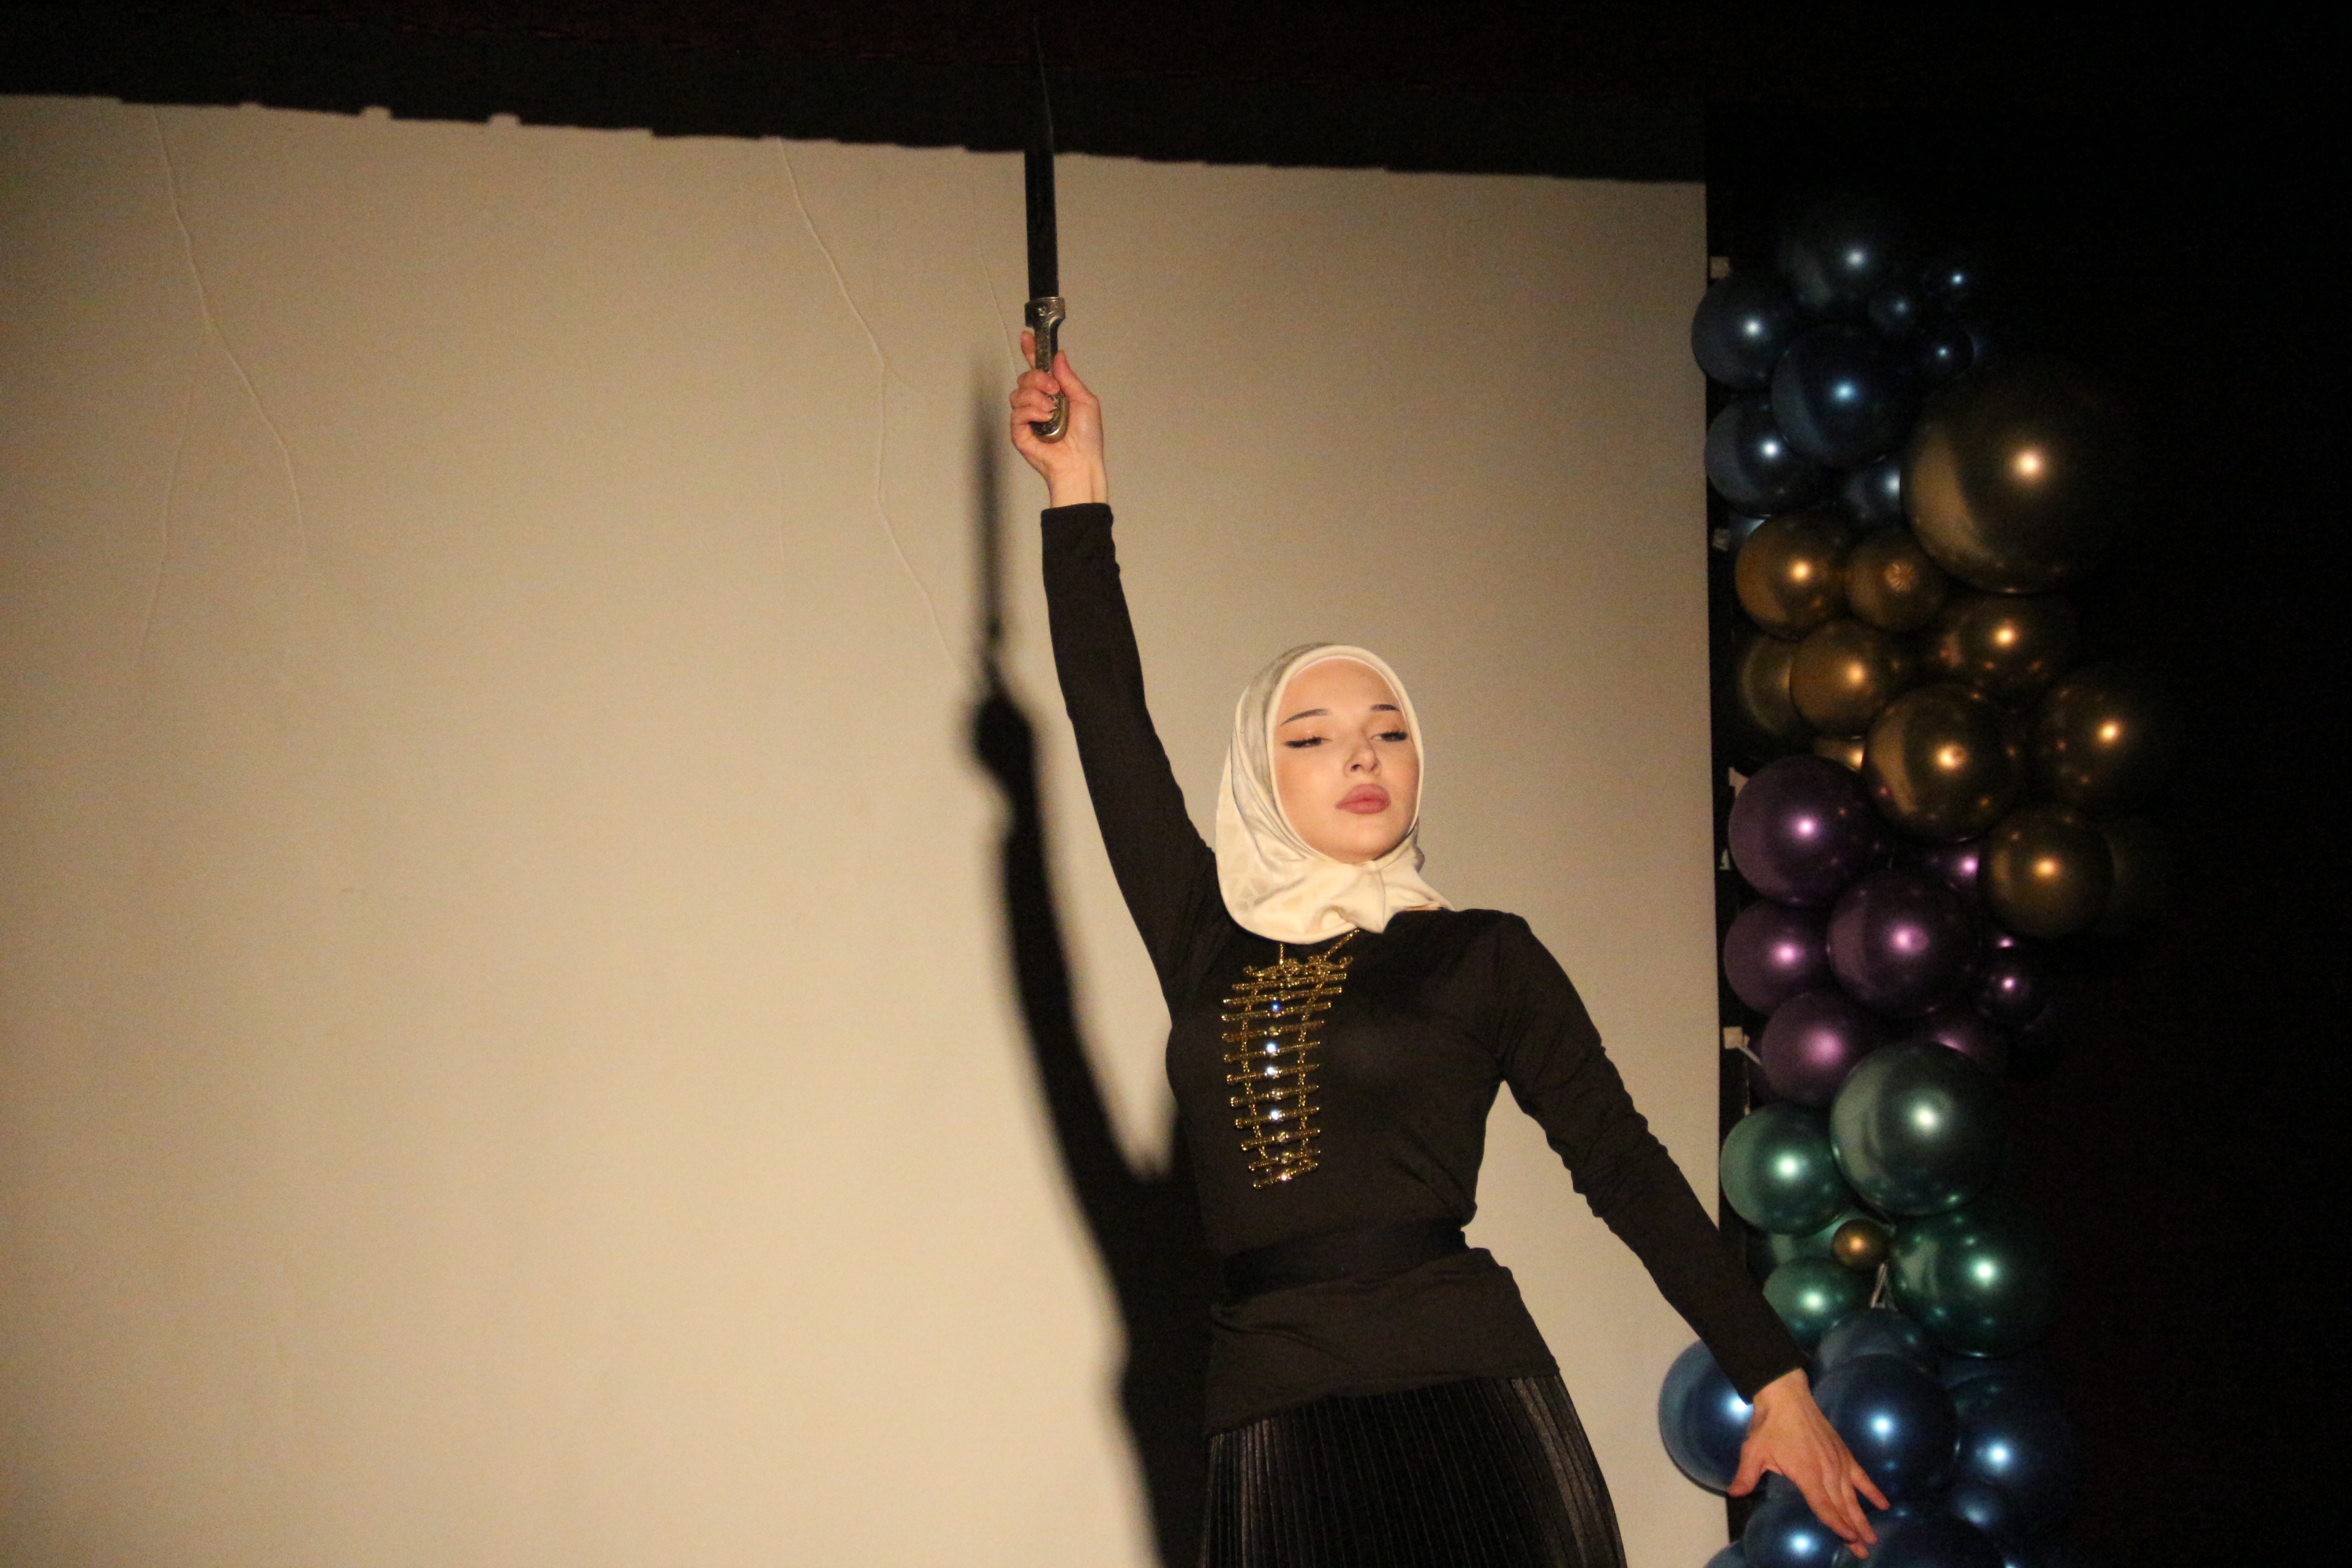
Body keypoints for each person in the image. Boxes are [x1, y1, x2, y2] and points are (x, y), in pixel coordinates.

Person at [1009, 340, 1885, 1567]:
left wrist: (1775, 1379)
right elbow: (1108, 718)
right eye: (1313, 738)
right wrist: (1078, 488)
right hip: (1271, 1408)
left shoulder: (1482, 956)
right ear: (1259, 776)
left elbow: (1624, 1167)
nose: (1363, 756)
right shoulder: (1206, 937)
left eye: (1389, 731)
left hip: (1473, 1403)